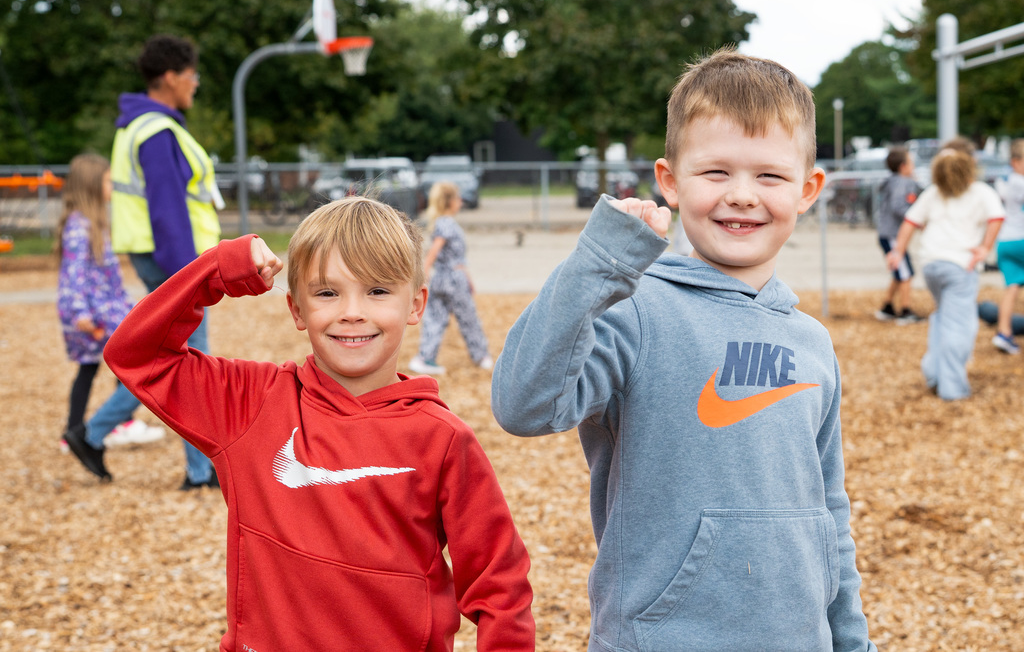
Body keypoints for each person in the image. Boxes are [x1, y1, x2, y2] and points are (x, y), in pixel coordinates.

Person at [492, 48, 875, 651]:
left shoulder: (812, 342)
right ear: (670, 182)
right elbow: (524, 404)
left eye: (769, 176)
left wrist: (850, 639)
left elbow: (829, 510)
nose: (743, 195)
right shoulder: (637, 311)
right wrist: (601, 264)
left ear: (807, 190)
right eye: (716, 172)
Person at [100, 197, 535, 651]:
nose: (352, 311)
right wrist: (219, 268)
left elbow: (499, 584)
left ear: (416, 304)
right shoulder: (249, 405)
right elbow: (135, 354)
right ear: (296, 310)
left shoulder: (441, 439)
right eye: (327, 293)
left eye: (378, 291)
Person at [109, 33, 223, 490]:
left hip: (158, 257)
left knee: (176, 356)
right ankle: (201, 470)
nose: (195, 85)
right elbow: (168, 209)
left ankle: (92, 431)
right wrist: (189, 274)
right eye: (193, 76)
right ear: (171, 77)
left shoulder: (141, 124)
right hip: (174, 260)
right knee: (191, 362)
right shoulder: (157, 131)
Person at [58, 154, 164, 482]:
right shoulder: (81, 227)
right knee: (137, 366)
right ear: (92, 185)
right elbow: (74, 275)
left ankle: (77, 430)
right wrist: (82, 315)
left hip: (104, 310)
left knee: (92, 368)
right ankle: (97, 428)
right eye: (107, 181)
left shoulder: (93, 224)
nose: (111, 187)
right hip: (95, 315)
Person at [887, 146, 1004, 400]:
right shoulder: (980, 192)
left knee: (943, 317)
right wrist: (985, 248)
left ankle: (933, 371)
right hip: (960, 266)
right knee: (959, 326)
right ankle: (952, 388)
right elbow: (997, 217)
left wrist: (897, 252)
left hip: (931, 265)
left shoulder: (933, 193)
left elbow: (909, 223)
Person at [408, 181, 494, 375]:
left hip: (441, 279)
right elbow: (435, 250)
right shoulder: (446, 223)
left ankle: (424, 357)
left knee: (435, 318)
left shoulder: (440, 222)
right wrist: (424, 270)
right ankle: (481, 356)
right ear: (449, 201)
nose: (460, 201)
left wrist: (467, 277)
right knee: (468, 318)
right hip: (453, 279)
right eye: (457, 198)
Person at [874, 146, 923, 324]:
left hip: (886, 234)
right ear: (903, 166)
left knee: (899, 272)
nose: (914, 167)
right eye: (912, 163)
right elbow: (898, 206)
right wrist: (916, 219)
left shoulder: (893, 180)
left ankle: (887, 307)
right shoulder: (903, 182)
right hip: (893, 235)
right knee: (906, 273)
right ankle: (905, 311)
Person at [992, 138, 1024, 354]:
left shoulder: (1004, 182)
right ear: (1015, 161)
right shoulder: (1020, 183)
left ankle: (1004, 333)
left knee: (1011, 287)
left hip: (1005, 240)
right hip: (1021, 239)